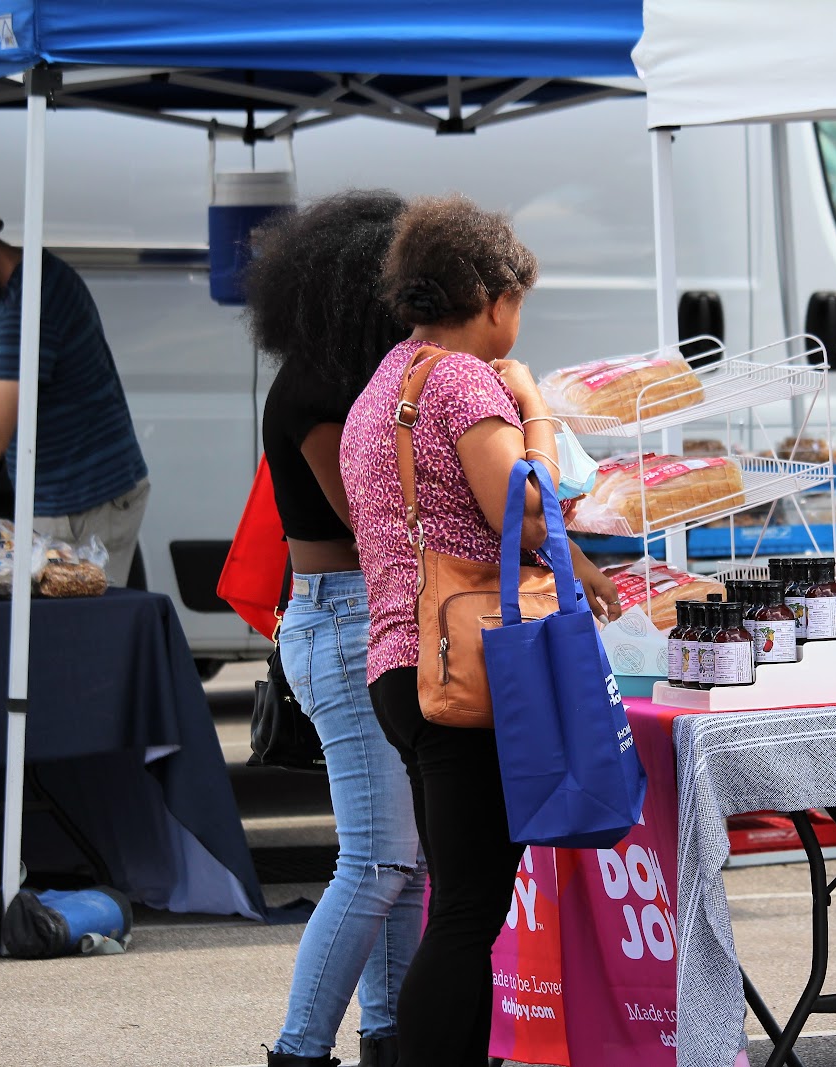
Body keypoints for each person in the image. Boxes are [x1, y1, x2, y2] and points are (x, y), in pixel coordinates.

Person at [340, 192, 620, 1065]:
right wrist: (534, 401)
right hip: (459, 668)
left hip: (401, 663)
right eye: (520, 302)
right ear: (493, 296)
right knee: (467, 911)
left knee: (462, 902)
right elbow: (524, 510)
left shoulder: (385, 382)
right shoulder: (463, 381)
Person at [243, 191, 426, 1067]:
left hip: (360, 616)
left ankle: (390, 1038)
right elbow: (372, 520)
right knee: (379, 864)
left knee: (407, 864)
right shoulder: (321, 388)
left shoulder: (338, 376)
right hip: (347, 619)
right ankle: (301, 1049)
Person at [0, 207, 149, 584]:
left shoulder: (30, 303)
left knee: (80, 633)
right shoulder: (21, 285)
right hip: (69, 501)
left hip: (85, 506)